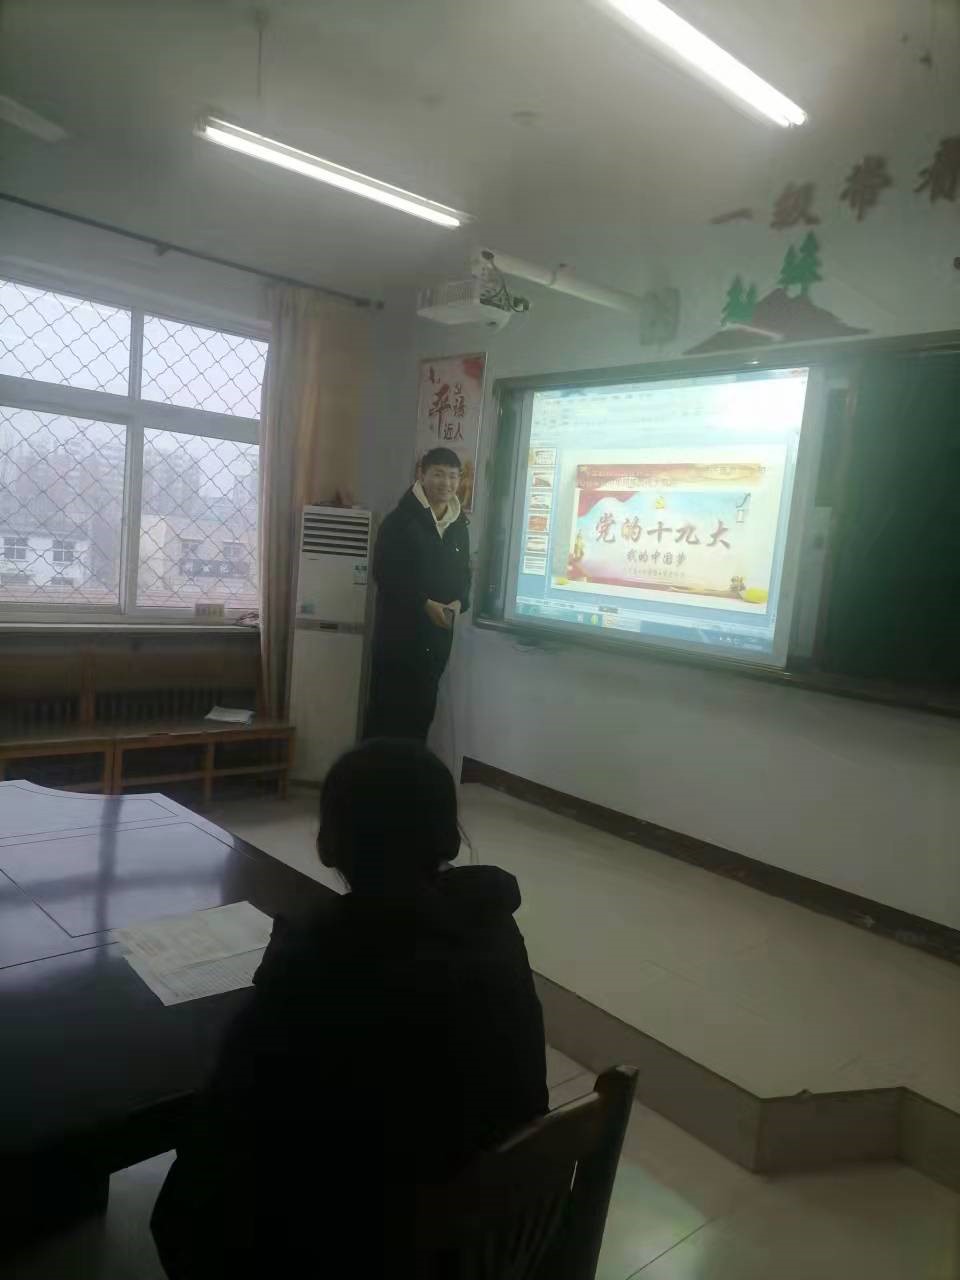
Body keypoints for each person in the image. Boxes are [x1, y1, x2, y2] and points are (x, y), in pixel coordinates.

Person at [151, 739, 547, 1279]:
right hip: (500, 1237)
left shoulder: (320, 960)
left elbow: (228, 1116)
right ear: (449, 837)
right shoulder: (493, 923)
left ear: (327, 845)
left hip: (373, 1248)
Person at [365, 447, 471, 741]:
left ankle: (410, 770)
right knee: (388, 719)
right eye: (438, 474)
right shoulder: (399, 522)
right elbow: (386, 575)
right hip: (398, 640)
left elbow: (465, 574)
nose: (446, 483)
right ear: (421, 475)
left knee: (421, 717)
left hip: (436, 641)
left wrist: (460, 602)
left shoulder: (459, 525)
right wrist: (424, 604)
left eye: (453, 476)